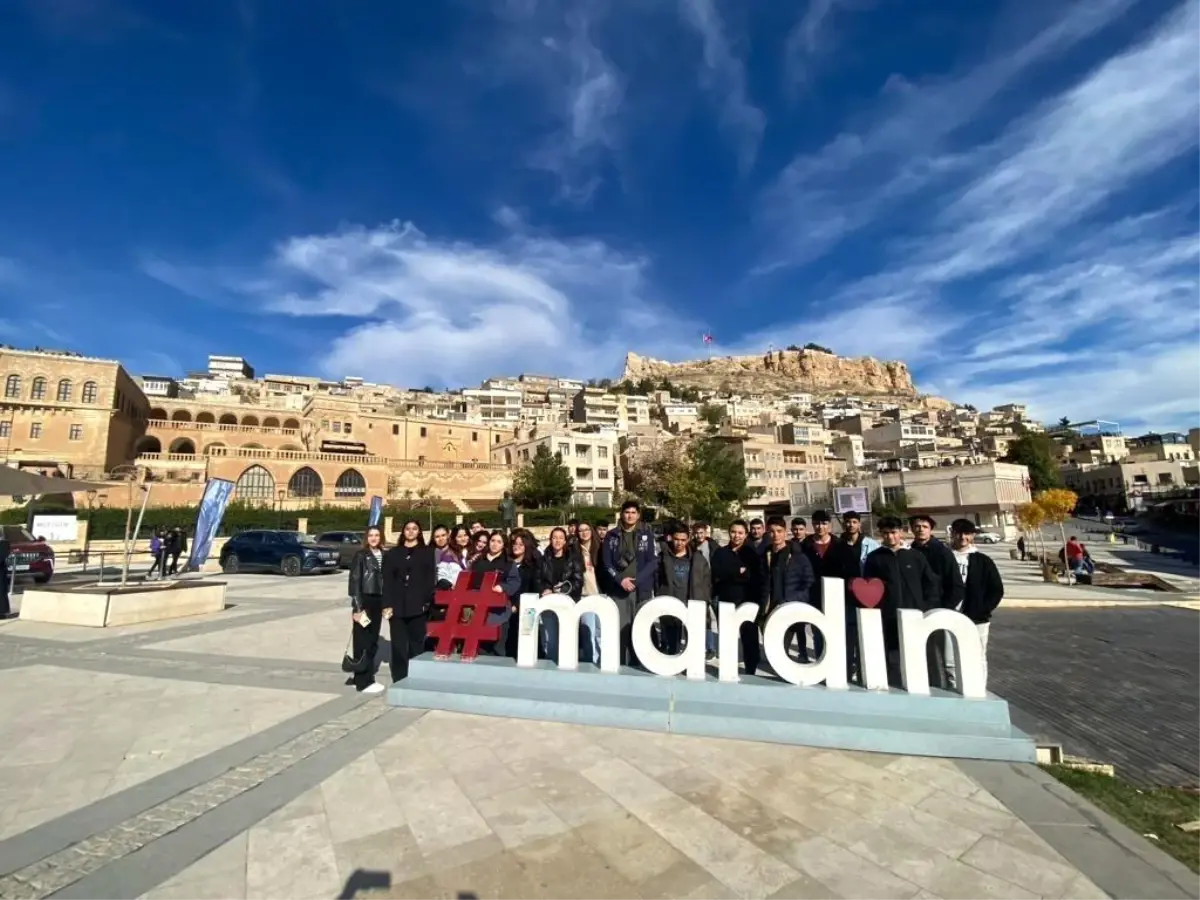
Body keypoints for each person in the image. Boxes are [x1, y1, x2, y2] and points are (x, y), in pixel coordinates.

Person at [863, 517, 941, 688]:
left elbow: (931, 584)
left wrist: (926, 607)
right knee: (893, 657)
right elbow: (868, 587)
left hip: (914, 616)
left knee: (918, 656)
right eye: (885, 533)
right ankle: (895, 686)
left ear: (901, 532)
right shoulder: (875, 558)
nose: (890, 537)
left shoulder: (915, 556)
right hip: (888, 617)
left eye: (893, 532)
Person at [799, 510, 861, 672]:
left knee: (841, 634)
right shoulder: (804, 546)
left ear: (830, 525)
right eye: (817, 523)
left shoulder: (841, 546)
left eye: (824, 523)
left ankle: (845, 667)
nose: (820, 527)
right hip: (814, 597)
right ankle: (822, 666)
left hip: (839, 598)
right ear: (813, 525)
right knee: (818, 633)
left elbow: (852, 573)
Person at [948, 519, 1004, 691]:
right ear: (953, 534)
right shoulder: (944, 557)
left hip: (977, 618)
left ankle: (979, 689)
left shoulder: (982, 560)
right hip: (949, 615)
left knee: (978, 656)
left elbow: (996, 589)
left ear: (972, 535)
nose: (962, 537)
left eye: (966, 533)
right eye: (958, 533)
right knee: (950, 659)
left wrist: (982, 609)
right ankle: (953, 689)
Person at [601, 500, 658, 666]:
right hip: (618, 591)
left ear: (638, 515)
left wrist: (637, 580)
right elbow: (607, 563)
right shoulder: (611, 536)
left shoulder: (647, 534)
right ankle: (621, 663)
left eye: (634, 512)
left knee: (641, 628)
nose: (630, 515)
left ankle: (641, 664)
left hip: (641, 590)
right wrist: (620, 580)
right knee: (620, 629)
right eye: (627, 512)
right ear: (621, 514)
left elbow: (653, 562)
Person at [908, 514, 962, 687]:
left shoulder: (942, 553)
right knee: (924, 654)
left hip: (939, 611)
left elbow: (956, 585)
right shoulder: (909, 553)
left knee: (946, 657)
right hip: (917, 612)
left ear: (930, 529)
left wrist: (944, 609)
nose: (920, 530)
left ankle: (950, 687)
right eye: (917, 526)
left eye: (924, 526)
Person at [381, 520, 437, 681]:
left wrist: (426, 602)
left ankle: (416, 678)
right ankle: (399, 678)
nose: (411, 532)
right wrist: (386, 604)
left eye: (414, 529)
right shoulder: (393, 554)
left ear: (419, 532)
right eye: (408, 529)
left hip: (418, 607)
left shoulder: (427, 552)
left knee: (416, 645)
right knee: (398, 646)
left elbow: (429, 580)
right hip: (397, 607)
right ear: (403, 531)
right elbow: (387, 581)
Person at [710, 520, 763, 674]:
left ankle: (751, 669)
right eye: (733, 532)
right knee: (727, 639)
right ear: (729, 532)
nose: (736, 536)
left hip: (747, 601)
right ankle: (728, 670)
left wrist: (734, 573)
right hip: (726, 602)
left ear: (745, 534)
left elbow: (754, 577)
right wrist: (737, 572)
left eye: (740, 533)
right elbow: (718, 573)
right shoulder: (720, 553)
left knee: (749, 639)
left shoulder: (752, 554)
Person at [761, 515, 814, 665]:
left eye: (779, 531)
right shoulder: (765, 555)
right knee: (773, 646)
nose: (775, 535)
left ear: (785, 532)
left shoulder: (798, 556)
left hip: (789, 605)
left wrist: (793, 599)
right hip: (769, 605)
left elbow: (808, 581)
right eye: (772, 531)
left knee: (783, 645)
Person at [655, 520, 712, 655]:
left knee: (691, 643)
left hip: (690, 603)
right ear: (671, 538)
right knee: (671, 643)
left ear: (688, 539)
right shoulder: (663, 557)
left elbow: (706, 582)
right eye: (676, 539)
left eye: (683, 539)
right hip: (670, 603)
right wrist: (660, 595)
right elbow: (657, 579)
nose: (679, 543)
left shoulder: (698, 559)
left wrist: (705, 599)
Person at [347, 526, 389, 694]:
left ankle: (361, 676)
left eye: (377, 535)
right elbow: (354, 582)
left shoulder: (384, 555)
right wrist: (357, 608)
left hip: (378, 601)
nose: (373, 538)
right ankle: (364, 682)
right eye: (370, 535)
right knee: (362, 641)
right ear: (366, 538)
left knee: (372, 640)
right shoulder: (361, 555)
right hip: (365, 601)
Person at [537, 527, 584, 662]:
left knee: (567, 637)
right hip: (549, 603)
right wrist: (545, 590)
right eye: (554, 538)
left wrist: (562, 590)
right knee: (549, 637)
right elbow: (538, 579)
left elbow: (578, 581)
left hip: (568, 602)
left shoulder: (574, 558)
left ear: (565, 541)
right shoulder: (543, 559)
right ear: (550, 540)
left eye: (560, 538)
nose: (557, 541)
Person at [470, 530, 519, 655]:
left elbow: (514, 582)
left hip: (499, 612)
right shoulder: (478, 561)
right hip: (478, 610)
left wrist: (502, 587)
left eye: (499, 542)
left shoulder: (508, 563)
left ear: (503, 545)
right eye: (492, 541)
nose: (495, 544)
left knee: (498, 647)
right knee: (479, 647)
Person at [506, 531, 541, 658]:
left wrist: (517, 605)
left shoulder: (532, 566)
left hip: (524, 611)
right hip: (507, 610)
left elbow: (533, 590)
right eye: (514, 544)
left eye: (521, 544)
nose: (517, 546)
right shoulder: (507, 564)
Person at [574, 521, 602, 596]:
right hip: (582, 595)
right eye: (581, 531)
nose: (584, 532)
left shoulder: (601, 548)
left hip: (600, 594)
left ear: (591, 531)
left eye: (587, 529)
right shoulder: (574, 551)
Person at [0, 529, 12, 619]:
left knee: (1, 592)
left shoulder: (4, 543)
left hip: (0, 572)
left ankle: (2, 611)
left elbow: (2, 556)